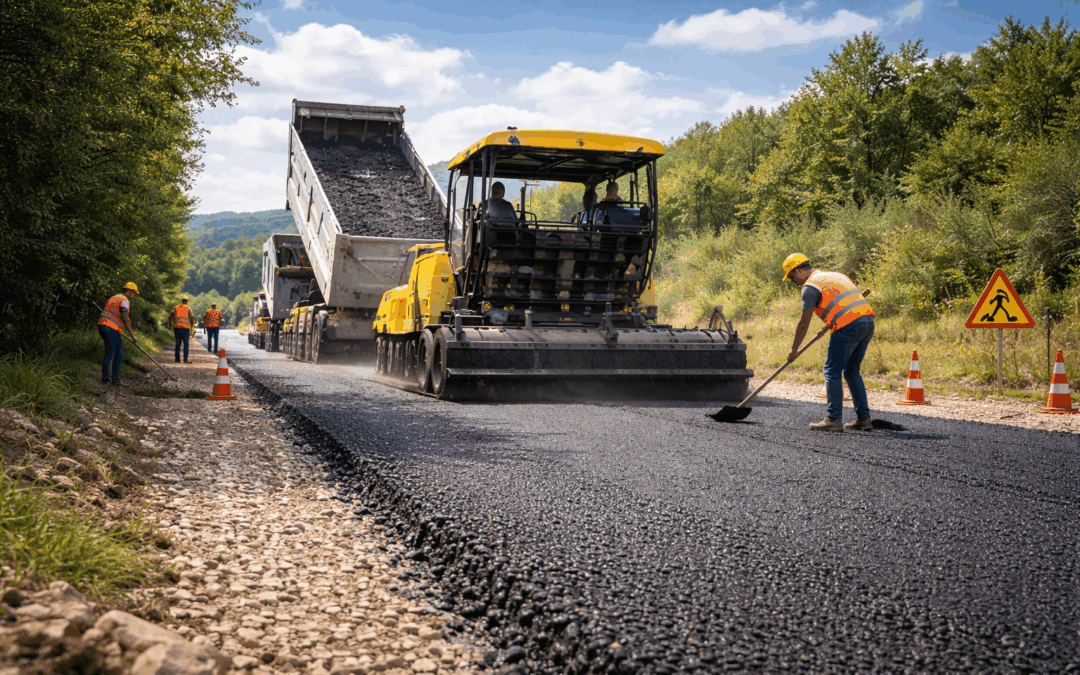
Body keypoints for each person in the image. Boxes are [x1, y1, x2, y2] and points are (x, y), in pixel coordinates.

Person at [782, 254, 875, 431]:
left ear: (800, 271)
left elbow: (804, 322)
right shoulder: (836, 275)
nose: (794, 282)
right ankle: (864, 418)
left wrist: (794, 349)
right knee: (852, 371)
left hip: (848, 324)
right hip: (867, 321)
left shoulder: (810, 287)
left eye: (792, 277)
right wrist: (828, 324)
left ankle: (833, 419)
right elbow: (841, 303)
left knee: (832, 370)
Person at [97, 282, 139, 386]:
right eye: (134, 293)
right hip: (111, 328)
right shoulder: (124, 300)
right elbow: (125, 319)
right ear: (129, 291)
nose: (134, 296)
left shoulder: (114, 297)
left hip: (104, 326)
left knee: (118, 354)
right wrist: (133, 335)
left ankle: (115, 380)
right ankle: (106, 380)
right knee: (110, 354)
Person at [169, 295, 195, 363]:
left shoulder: (176, 307)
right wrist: (192, 325)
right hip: (185, 328)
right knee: (186, 344)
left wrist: (170, 325)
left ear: (182, 300)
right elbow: (192, 317)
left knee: (178, 343)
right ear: (187, 301)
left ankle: (177, 359)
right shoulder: (188, 308)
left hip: (177, 328)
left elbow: (170, 316)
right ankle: (185, 359)